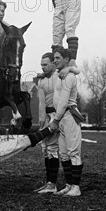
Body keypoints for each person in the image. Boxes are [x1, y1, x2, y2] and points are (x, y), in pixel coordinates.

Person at [35, 52, 80, 194]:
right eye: (41, 65)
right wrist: (41, 122)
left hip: (61, 115)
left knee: (62, 150)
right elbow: (41, 104)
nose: (43, 67)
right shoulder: (42, 80)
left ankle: (71, 185)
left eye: (46, 64)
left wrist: (70, 69)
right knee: (51, 151)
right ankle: (55, 184)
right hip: (52, 117)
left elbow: (76, 70)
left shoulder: (62, 75)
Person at [49, 47, 84, 197]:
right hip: (61, 117)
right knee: (63, 153)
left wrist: (55, 120)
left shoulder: (69, 76)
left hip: (69, 116)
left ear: (66, 60)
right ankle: (69, 185)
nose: (55, 60)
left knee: (73, 152)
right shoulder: (59, 74)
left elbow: (64, 101)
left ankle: (76, 187)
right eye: (54, 58)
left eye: (57, 58)